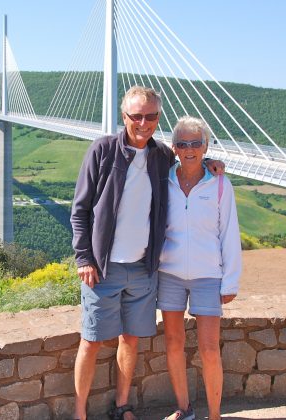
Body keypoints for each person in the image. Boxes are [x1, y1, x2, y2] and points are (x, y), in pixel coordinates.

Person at [70, 87, 224, 420]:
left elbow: (190, 160)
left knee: (130, 340)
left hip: (143, 269)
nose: (143, 122)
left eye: (151, 116)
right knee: (91, 340)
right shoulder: (102, 151)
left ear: (158, 118)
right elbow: (80, 209)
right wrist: (83, 257)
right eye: (136, 116)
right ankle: (79, 413)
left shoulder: (162, 157)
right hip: (103, 266)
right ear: (123, 116)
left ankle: (122, 406)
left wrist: (210, 162)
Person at [157, 116, 242, 420]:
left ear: (206, 146)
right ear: (174, 147)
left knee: (209, 349)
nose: (189, 149)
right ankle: (184, 409)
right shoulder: (162, 179)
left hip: (209, 275)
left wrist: (230, 282)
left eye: (196, 143)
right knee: (173, 344)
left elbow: (229, 233)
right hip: (170, 273)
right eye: (183, 143)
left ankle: (215, 415)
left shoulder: (220, 184)